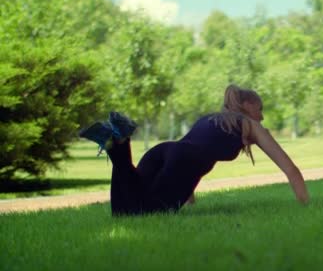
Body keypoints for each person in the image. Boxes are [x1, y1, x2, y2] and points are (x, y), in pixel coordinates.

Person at [79, 84, 309, 216]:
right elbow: (291, 169)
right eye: (260, 109)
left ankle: (117, 141)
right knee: (149, 213)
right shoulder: (252, 126)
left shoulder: (211, 118)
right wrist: (306, 207)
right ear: (247, 106)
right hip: (181, 159)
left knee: (123, 213)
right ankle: (118, 140)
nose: (262, 116)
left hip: (162, 151)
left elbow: (187, 151)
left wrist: (188, 197)